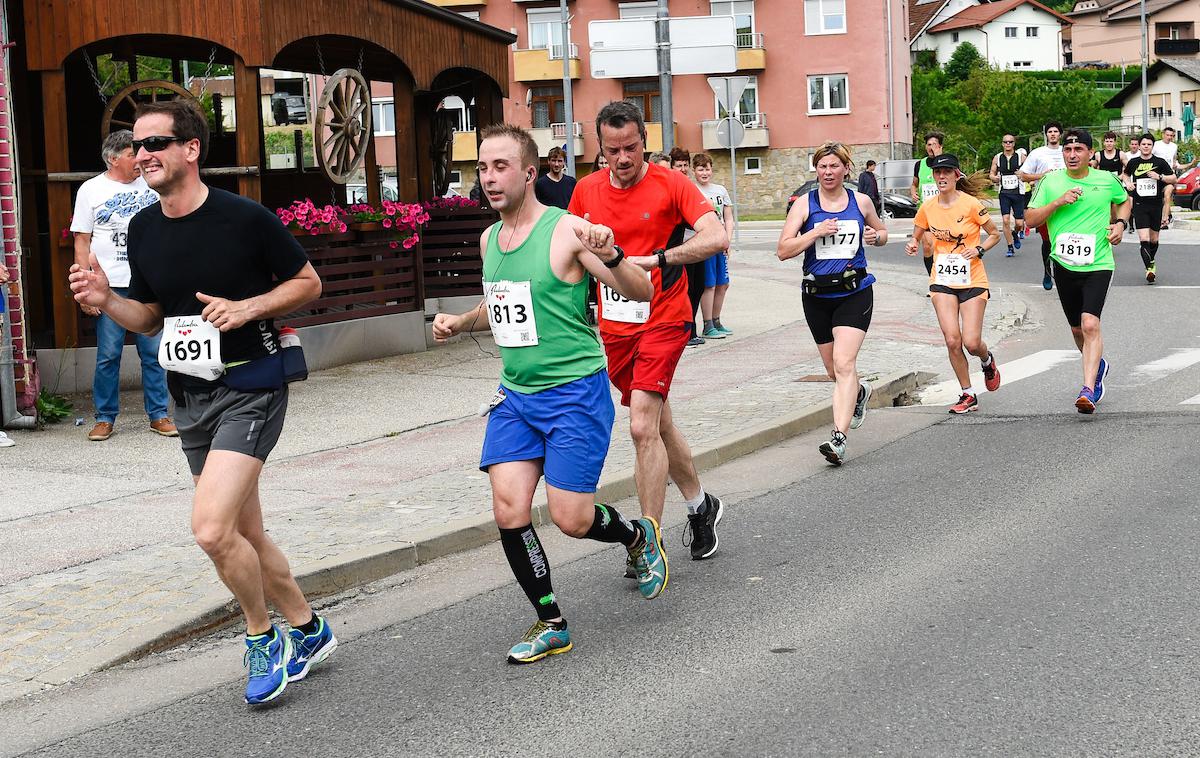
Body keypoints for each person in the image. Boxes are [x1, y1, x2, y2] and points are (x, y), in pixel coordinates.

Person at [68, 100, 335, 705]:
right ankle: (310, 630)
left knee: (212, 530)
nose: (143, 156)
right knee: (246, 533)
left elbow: (308, 283)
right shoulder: (141, 228)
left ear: (191, 150)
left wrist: (247, 307)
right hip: (191, 392)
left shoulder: (245, 218)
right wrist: (107, 300)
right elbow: (151, 316)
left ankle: (263, 637)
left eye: (156, 143)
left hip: (252, 383)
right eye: (138, 147)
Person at [432, 123, 657, 664]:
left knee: (571, 520)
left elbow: (641, 291)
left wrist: (616, 253)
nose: (488, 177)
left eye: (501, 166)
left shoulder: (569, 231)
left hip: (574, 394)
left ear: (530, 173)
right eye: (482, 167)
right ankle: (551, 621)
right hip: (516, 396)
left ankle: (635, 538)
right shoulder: (490, 239)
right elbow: (505, 302)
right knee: (509, 509)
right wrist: (463, 323)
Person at [568, 101, 728, 574]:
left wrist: (657, 260)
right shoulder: (585, 191)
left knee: (641, 425)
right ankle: (701, 506)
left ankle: (647, 543)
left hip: (665, 316)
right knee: (657, 424)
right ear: (600, 148)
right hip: (616, 329)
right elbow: (572, 252)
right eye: (613, 150)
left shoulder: (671, 183)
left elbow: (716, 237)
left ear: (645, 142)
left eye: (632, 148)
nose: (623, 159)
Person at [778, 141, 888, 464]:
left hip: (855, 292)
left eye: (834, 166)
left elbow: (882, 233)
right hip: (816, 297)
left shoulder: (861, 201)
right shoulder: (804, 205)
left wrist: (875, 237)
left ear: (845, 169)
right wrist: (815, 232)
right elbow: (783, 249)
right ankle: (860, 392)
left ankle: (838, 440)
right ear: (817, 170)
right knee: (833, 370)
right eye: (822, 167)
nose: (828, 172)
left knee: (843, 363)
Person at [70, 130, 174, 442]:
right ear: (114, 158)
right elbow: (81, 239)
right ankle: (104, 418)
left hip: (148, 281)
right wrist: (85, 285)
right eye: (133, 153)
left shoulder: (152, 183)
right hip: (109, 285)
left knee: (154, 352)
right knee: (108, 355)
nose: (141, 158)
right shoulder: (91, 189)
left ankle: (159, 414)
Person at [1025, 128, 1129, 413]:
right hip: (1064, 264)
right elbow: (1030, 219)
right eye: (1068, 151)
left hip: (1099, 263)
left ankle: (1088, 388)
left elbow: (1123, 201)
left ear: (1089, 154)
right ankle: (1099, 365)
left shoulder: (1106, 180)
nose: (1072, 155)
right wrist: (1057, 201)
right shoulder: (1050, 181)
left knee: (1090, 324)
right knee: (1076, 329)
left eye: (1078, 150)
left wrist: (1120, 225)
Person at [906, 154, 1003, 414]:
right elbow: (917, 233)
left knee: (971, 342)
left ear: (956, 175)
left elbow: (995, 234)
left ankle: (987, 359)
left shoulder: (971, 205)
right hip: (942, 280)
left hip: (972, 279)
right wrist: (913, 243)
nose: (941, 177)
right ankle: (968, 393)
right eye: (937, 172)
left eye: (946, 172)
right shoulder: (927, 207)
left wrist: (980, 250)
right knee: (952, 340)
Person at [690, 152, 735, 339]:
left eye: (707, 168)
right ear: (694, 171)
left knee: (722, 284)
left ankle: (716, 320)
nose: (704, 172)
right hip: (704, 243)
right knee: (708, 284)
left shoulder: (720, 190)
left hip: (720, 243)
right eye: (700, 169)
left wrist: (727, 240)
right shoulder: (692, 190)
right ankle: (707, 324)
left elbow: (728, 217)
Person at [1121, 133, 1176, 284]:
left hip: (1156, 204)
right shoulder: (1133, 162)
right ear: (1139, 146)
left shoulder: (1160, 162)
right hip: (1140, 205)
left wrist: (1159, 177)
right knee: (1144, 239)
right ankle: (1149, 268)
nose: (1146, 146)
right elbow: (1125, 175)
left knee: (1154, 239)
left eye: (1149, 144)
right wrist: (1128, 183)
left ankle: (1151, 260)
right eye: (1143, 144)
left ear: (1152, 146)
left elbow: (1173, 178)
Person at [1019, 121, 1065, 290]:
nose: (1053, 134)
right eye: (1050, 131)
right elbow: (1023, 176)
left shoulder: (1067, 151)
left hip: (1066, 202)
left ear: (1060, 134)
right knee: (1047, 240)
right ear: (1046, 135)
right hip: (1044, 203)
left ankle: (1062, 273)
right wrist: (1042, 176)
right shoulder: (1038, 153)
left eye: (1055, 131)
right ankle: (1047, 271)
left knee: (1063, 238)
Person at [668, 146, 707, 348]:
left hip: (697, 245)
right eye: (678, 166)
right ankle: (687, 331)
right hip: (679, 248)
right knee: (686, 288)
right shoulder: (671, 188)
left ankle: (691, 327)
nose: (682, 169)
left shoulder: (691, 187)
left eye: (685, 165)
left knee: (699, 286)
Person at [911, 132, 945, 277]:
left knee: (943, 246)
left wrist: (939, 158)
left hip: (945, 211)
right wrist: (913, 192)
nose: (931, 148)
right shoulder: (919, 164)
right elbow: (914, 184)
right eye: (929, 145)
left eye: (934, 145)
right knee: (927, 246)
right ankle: (933, 279)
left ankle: (945, 277)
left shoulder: (946, 162)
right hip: (925, 212)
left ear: (940, 146)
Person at [990, 134, 1026, 258]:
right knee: (1005, 220)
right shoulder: (998, 158)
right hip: (1004, 193)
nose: (1008, 144)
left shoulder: (1021, 157)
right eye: (1005, 142)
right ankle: (1010, 246)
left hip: (1018, 192)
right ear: (1002, 144)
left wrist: (1023, 175)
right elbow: (991, 174)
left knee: (1019, 223)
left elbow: (1029, 171)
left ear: (1014, 143)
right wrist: (995, 178)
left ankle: (1015, 233)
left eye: (1010, 142)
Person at [1152, 127, 1196, 228]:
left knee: (1168, 196)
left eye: (1171, 136)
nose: (1169, 137)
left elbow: (1175, 163)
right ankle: (1167, 215)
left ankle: (1164, 221)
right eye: (1167, 135)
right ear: (1163, 134)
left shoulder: (1174, 146)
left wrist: (1189, 164)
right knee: (1160, 199)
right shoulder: (1156, 145)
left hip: (1169, 175)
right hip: (1157, 175)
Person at [533, 146, 576, 210]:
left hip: (567, 218)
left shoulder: (571, 182)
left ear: (564, 162)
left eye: (560, 161)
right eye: (553, 160)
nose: (556, 164)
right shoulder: (540, 183)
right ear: (548, 161)